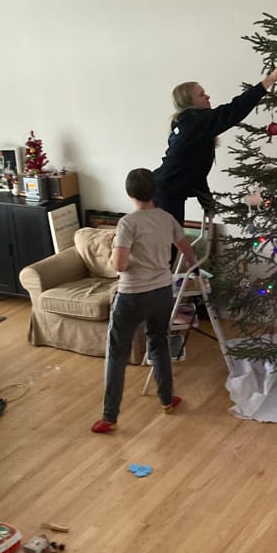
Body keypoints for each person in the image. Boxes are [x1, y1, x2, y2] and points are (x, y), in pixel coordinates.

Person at [91, 167, 199, 434]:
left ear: (129, 193)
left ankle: (109, 417)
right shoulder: (167, 218)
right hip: (162, 292)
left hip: (132, 295)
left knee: (117, 352)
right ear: (155, 191)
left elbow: (120, 264)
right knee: (159, 344)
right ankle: (167, 400)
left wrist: (113, 256)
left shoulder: (128, 223)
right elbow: (188, 250)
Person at [153, 64, 277, 225]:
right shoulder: (196, 122)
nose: (208, 96)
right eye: (201, 94)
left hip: (161, 188)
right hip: (166, 193)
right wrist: (270, 79)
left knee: (167, 243)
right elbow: (234, 110)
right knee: (167, 245)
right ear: (190, 102)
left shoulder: (186, 125)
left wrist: (207, 204)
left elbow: (193, 169)